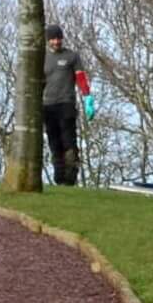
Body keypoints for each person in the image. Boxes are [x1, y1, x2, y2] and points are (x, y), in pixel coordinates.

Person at [43, 26, 86, 186]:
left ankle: (70, 178)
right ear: (48, 40)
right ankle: (59, 178)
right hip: (47, 106)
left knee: (69, 142)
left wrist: (87, 97)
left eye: (58, 38)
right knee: (54, 143)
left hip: (66, 104)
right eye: (53, 39)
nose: (56, 42)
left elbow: (81, 78)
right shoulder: (43, 58)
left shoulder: (71, 56)